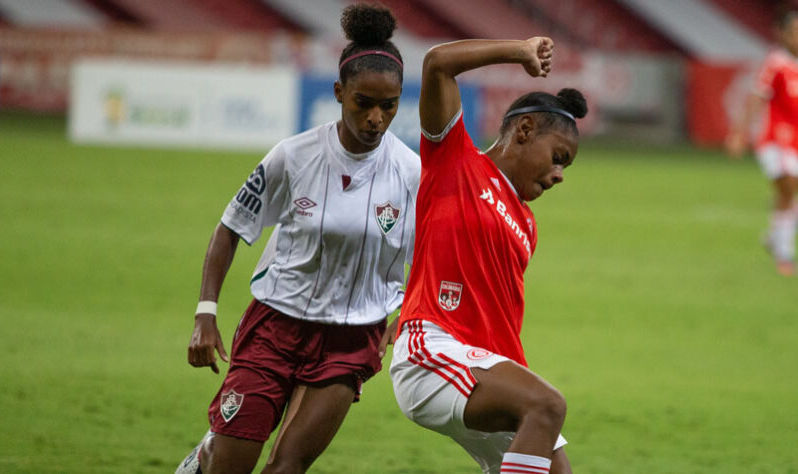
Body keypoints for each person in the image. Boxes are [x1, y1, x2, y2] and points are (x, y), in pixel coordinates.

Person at [175, 4, 419, 474]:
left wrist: (407, 311)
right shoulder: (294, 156)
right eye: (362, 102)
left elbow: (432, 255)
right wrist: (206, 313)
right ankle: (206, 456)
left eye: (388, 106)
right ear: (338, 92)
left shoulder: (411, 172)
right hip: (275, 328)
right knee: (230, 466)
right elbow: (230, 228)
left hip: (352, 339)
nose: (375, 118)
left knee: (286, 468)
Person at [389, 37, 587, 474]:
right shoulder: (454, 159)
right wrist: (518, 51)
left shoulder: (527, 226)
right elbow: (438, 64)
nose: (558, 176)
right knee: (547, 404)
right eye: (558, 158)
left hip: (486, 370)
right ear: (524, 130)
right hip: (434, 352)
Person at [726, 10, 798, 276]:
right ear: (782, 35)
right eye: (796, 32)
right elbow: (756, 98)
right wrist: (739, 133)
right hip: (778, 139)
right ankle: (785, 255)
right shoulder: (775, 63)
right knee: (789, 189)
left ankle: (777, 235)